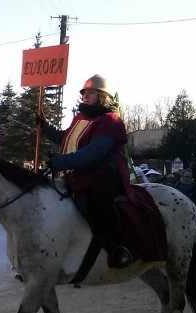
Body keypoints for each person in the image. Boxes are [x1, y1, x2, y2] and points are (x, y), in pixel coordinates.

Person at [37, 74, 133, 267]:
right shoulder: (80, 118)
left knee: (99, 199)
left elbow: (94, 153)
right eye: (84, 92)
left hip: (105, 172)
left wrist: (61, 162)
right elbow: (66, 138)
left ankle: (121, 246)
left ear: (102, 96)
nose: (85, 96)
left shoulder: (110, 121)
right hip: (81, 173)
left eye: (91, 92)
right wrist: (44, 126)